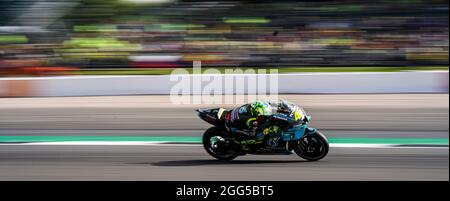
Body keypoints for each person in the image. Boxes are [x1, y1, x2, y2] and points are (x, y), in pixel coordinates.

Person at [218, 99, 307, 146]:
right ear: (257, 115)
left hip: (235, 116)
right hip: (238, 129)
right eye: (262, 115)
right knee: (254, 139)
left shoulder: (254, 106)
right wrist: (267, 130)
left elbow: (268, 104)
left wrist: (280, 105)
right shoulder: (251, 121)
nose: (265, 115)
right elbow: (255, 134)